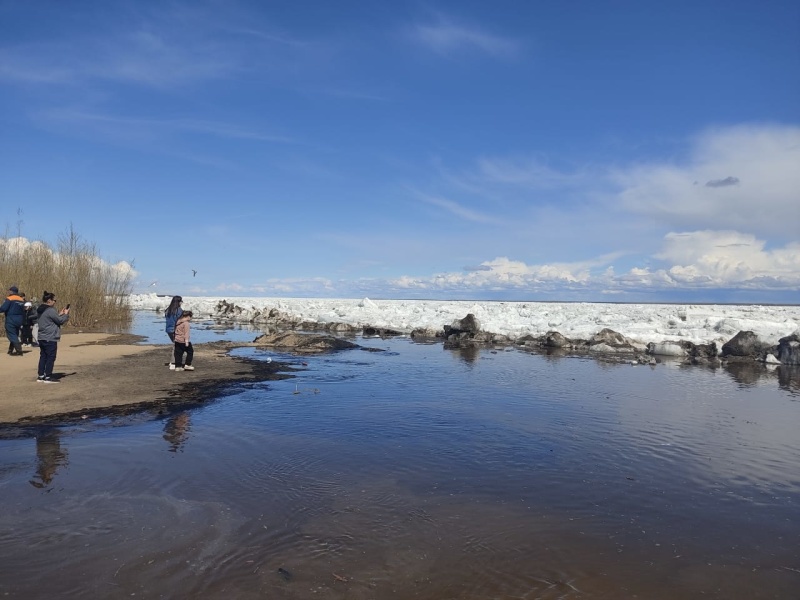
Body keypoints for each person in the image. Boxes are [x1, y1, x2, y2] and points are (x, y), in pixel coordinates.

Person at [36, 291, 70, 383]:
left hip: (42, 337)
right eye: (54, 300)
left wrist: (59, 314)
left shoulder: (40, 309)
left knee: (43, 356)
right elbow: (60, 321)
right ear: (49, 300)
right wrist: (66, 314)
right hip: (50, 337)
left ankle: (41, 375)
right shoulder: (50, 310)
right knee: (51, 357)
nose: (55, 302)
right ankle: (48, 376)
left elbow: (49, 319)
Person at [0, 285, 25, 356]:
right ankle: (10, 350)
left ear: (11, 291)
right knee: (15, 334)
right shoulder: (21, 300)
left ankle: (19, 351)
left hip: (11, 318)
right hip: (20, 319)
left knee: (11, 335)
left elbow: (3, 308)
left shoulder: (9, 298)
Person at [164, 295, 183, 370]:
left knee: (176, 344)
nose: (181, 303)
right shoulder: (179, 310)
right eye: (181, 301)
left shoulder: (168, 310)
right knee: (177, 346)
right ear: (178, 302)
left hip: (168, 330)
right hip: (175, 330)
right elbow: (180, 320)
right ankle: (173, 362)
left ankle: (174, 361)